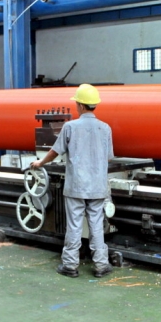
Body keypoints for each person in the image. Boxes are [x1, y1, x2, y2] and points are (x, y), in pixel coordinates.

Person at [31, 83, 114, 278]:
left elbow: (55, 151)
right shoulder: (105, 128)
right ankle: (101, 265)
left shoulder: (70, 127)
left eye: (77, 103)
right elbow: (109, 157)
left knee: (75, 225)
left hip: (76, 185)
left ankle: (70, 265)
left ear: (82, 106)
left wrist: (40, 163)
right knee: (96, 225)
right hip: (97, 186)